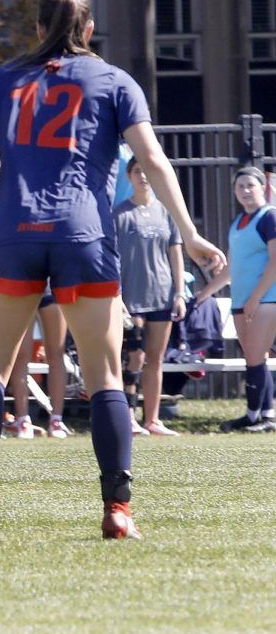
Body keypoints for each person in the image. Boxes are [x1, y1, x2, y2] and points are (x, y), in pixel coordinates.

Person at [0, 0, 224, 542]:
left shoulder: (1, 81)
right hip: (85, 236)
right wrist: (190, 235)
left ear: (36, 28)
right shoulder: (115, 81)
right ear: (89, 30)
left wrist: (10, 153)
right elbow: (153, 159)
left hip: (12, 235)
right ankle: (117, 508)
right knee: (103, 376)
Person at [194, 166, 276, 433]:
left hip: (265, 299)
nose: (245, 191)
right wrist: (205, 293)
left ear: (262, 187)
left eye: (250, 185)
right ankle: (262, 414)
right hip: (242, 300)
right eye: (240, 186)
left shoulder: (269, 217)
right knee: (255, 358)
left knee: (254, 357)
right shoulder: (239, 222)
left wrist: (256, 297)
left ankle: (259, 416)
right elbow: (230, 268)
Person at [114, 156, 185, 437]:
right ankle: (128, 417)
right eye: (137, 171)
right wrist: (116, 294)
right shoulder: (119, 213)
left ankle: (152, 419)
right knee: (135, 358)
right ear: (129, 176)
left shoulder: (167, 212)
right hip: (132, 298)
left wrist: (179, 292)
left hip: (162, 294)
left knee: (155, 358)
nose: (143, 177)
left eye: (147, 172)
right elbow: (111, 257)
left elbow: (175, 252)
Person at [3, 291, 72, 439]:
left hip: (51, 289)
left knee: (56, 354)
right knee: (21, 357)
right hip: (25, 289)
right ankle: (23, 420)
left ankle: (56, 420)